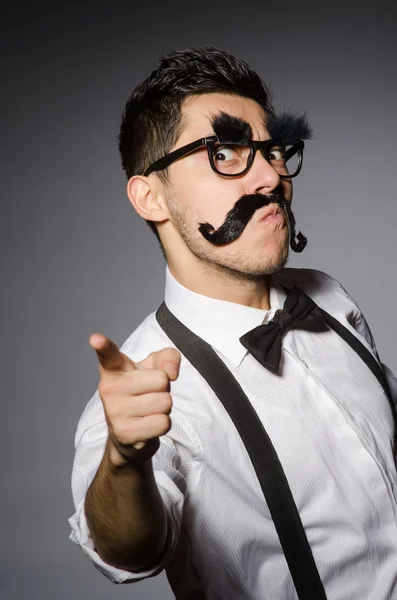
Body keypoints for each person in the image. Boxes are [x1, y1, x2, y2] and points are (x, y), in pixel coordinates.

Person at [69, 47, 397, 599]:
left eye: (271, 151)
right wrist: (125, 462)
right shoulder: (149, 392)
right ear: (150, 196)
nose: (271, 176)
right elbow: (127, 549)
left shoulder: (331, 299)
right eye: (225, 152)